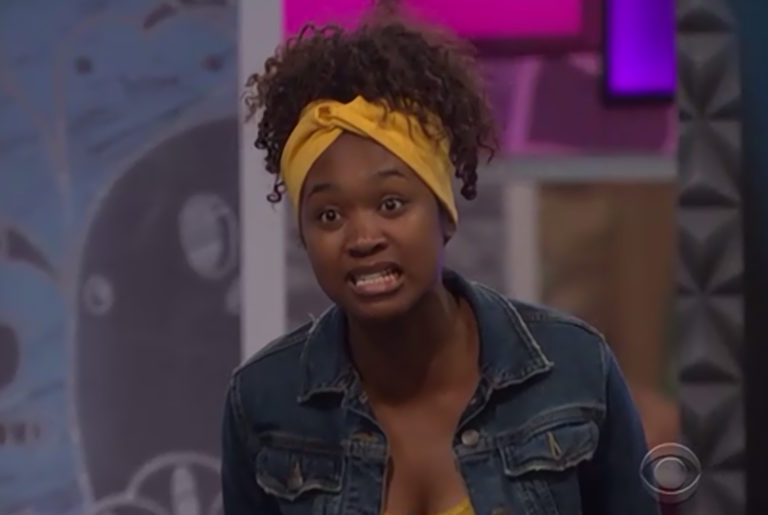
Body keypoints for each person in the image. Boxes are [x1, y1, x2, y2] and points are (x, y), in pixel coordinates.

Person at [221, 6, 659, 515]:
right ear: (304, 235)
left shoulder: (573, 368)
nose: (363, 238)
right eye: (329, 215)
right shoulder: (263, 403)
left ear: (444, 214)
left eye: (391, 204)